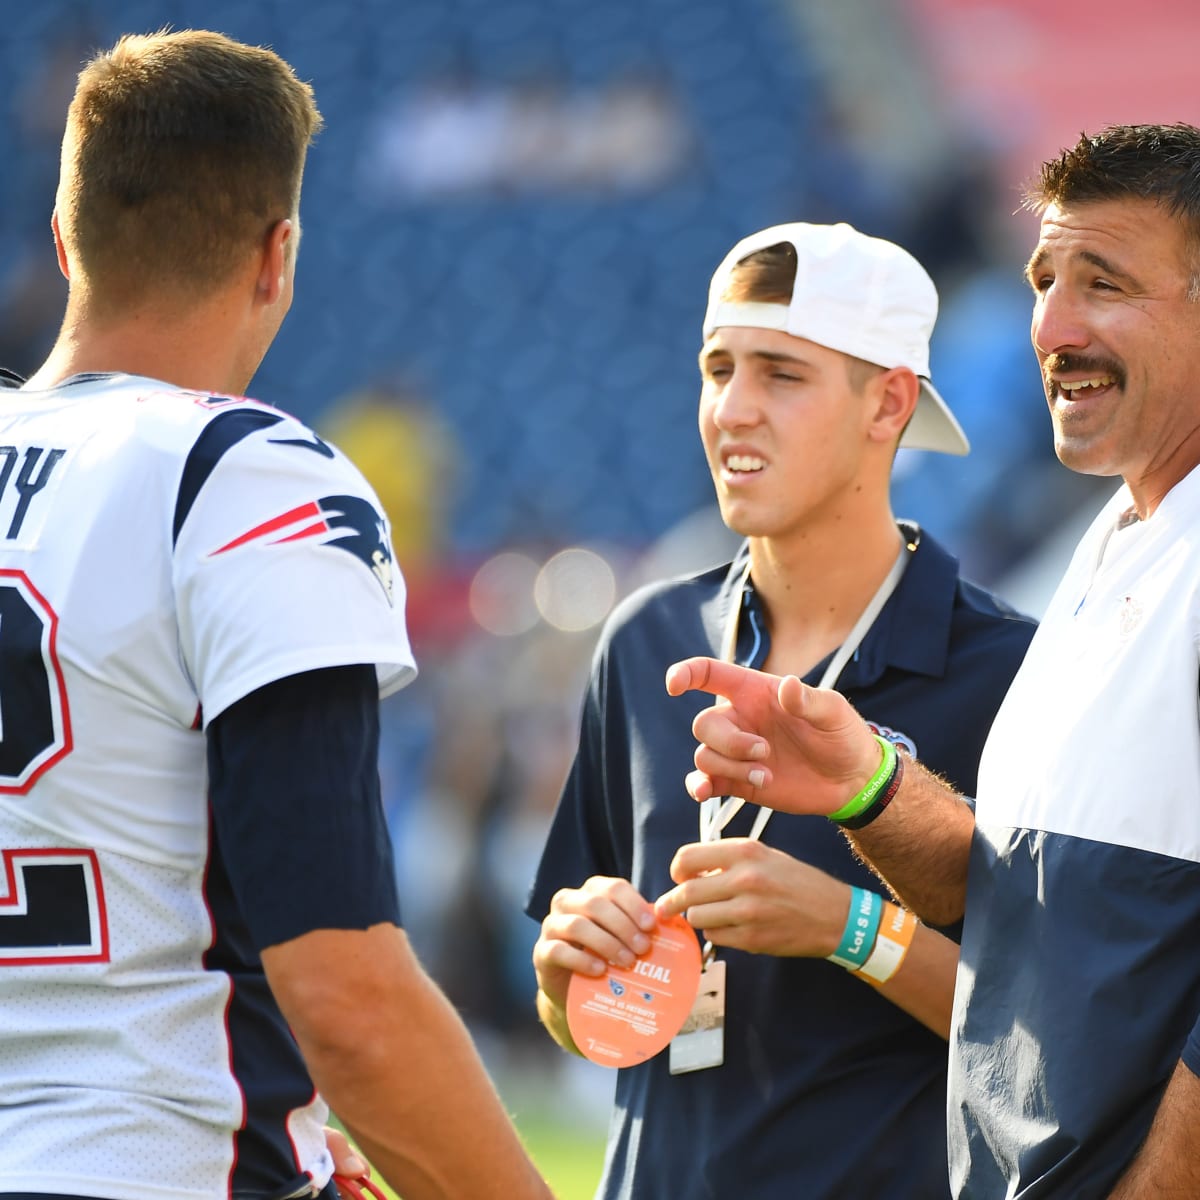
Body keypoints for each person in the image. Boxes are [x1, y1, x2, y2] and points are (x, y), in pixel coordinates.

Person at [0, 29, 551, 1200]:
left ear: (65, 241)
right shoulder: (241, 473)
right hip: (147, 1161)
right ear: (277, 256)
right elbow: (348, 999)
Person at [666, 122, 1200, 1199]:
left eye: (1105, 282)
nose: (1050, 323)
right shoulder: (1115, 544)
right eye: (1044, 278)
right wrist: (869, 788)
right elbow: (1017, 911)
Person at [525, 221, 1036, 1198]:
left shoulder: (1014, 670)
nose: (732, 410)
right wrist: (563, 969)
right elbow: (586, 1016)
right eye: (717, 368)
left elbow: (1047, 1033)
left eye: (781, 374)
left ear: (889, 402)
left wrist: (852, 929)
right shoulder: (645, 637)